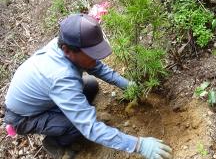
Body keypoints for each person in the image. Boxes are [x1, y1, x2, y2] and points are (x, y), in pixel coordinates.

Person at [3, 14, 172, 159]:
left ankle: (60, 117)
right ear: (67, 50)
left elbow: (96, 67)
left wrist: (127, 85)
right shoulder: (61, 77)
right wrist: (138, 145)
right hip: (24, 117)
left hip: (43, 97)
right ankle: (53, 142)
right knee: (76, 126)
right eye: (91, 54)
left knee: (90, 86)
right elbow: (90, 128)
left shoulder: (64, 44)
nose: (95, 59)